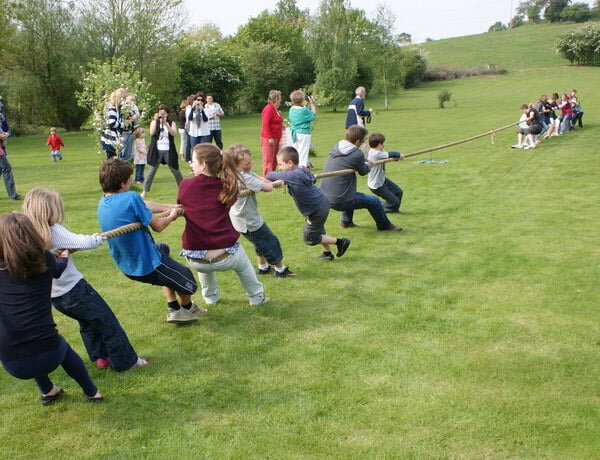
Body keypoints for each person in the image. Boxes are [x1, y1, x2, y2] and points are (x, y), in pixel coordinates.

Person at [22, 188, 147, 371]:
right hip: (75, 290)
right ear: (49, 210)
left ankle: (101, 357)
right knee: (107, 321)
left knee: (87, 323)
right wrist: (95, 239)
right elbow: (84, 242)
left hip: (55, 297)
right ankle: (126, 362)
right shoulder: (53, 231)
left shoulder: (26, 234)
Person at [0, 212, 103, 404]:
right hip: (50, 353)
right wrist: (63, 257)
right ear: (32, 234)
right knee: (63, 349)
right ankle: (92, 392)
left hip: (12, 362)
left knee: (25, 337)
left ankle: (48, 390)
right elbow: (56, 271)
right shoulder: (44, 258)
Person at [98, 158, 203, 323]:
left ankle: (174, 308)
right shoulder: (131, 197)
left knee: (163, 249)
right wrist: (173, 216)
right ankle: (186, 309)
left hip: (127, 264)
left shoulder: (104, 201)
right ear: (124, 183)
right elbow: (159, 226)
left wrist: (170, 207)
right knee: (187, 280)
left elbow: (144, 204)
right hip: (147, 264)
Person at [178, 143, 269, 306]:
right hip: (226, 256)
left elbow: (183, 201)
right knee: (244, 265)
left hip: (195, 258)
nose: (191, 164)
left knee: (202, 255)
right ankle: (257, 297)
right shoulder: (228, 185)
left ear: (203, 164)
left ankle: (210, 297)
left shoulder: (185, 185)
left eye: (192, 160)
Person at [267, 146, 351, 261]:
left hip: (316, 210)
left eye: (281, 164)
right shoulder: (302, 169)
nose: (279, 168)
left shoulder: (292, 175)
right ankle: (327, 254)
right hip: (322, 202)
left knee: (310, 237)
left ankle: (340, 242)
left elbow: (270, 174)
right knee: (318, 229)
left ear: (290, 163)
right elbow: (313, 179)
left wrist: (285, 179)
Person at [224, 144, 294, 277]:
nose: (250, 165)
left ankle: (263, 267)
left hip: (241, 219)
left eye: (250, 161)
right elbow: (267, 188)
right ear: (235, 165)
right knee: (270, 242)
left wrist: (272, 182)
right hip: (248, 221)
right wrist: (272, 185)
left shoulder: (239, 173)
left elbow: (259, 179)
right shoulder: (243, 177)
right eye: (246, 164)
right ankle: (280, 270)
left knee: (259, 242)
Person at [320, 126, 403, 232]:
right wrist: (369, 164)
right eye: (363, 141)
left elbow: (355, 160)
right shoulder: (356, 153)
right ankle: (384, 226)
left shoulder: (337, 147)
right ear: (358, 141)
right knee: (374, 201)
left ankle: (346, 222)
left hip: (325, 196)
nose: (364, 143)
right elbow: (364, 171)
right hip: (339, 199)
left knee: (350, 193)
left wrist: (366, 160)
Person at [141, 105, 183, 198]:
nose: (162, 115)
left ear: (167, 114)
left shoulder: (171, 123)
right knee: (152, 170)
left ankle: (183, 189)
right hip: (157, 150)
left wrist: (166, 123)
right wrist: (157, 121)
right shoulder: (154, 122)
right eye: (161, 113)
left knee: (175, 170)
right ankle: (144, 191)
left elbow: (174, 133)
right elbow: (152, 132)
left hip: (168, 149)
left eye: (164, 113)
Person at [366, 133, 404, 213]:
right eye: (382, 143)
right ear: (379, 144)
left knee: (399, 192)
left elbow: (389, 157)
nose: (383, 145)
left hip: (382, 180)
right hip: (376, 185)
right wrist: (399, 155)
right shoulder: (375, 153)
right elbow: (391, 154)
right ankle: (378, 207)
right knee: (394, 201)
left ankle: (393, 210)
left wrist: (397, 158)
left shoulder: (379, 151)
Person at [0, 97, 21, 201]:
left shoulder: (2, 115)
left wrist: (6, 134)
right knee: (7, 169)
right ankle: (12, 195)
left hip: (1, 146)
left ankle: (12, 195)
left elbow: (5, 128)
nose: (1, 104)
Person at [288, 90, 316, 167]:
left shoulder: (292, 109)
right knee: (303, 154)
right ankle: (302, 170)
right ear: (302, 99)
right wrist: (312, 103)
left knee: (296, 153)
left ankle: (295, 169)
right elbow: (313, 114)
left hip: (295, 133)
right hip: (304, 133)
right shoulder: (303, 110)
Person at [260, 90, 284, 177]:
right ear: (276, 99)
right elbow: (265, 124)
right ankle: (267, 177)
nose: (281, 99)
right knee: (268, 158)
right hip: (269, 137)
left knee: (274, 158)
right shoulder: (268, 109)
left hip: (276, 137)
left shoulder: (275, 109)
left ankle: (272, 176)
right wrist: (269, 137)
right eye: (280, 98)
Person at [100, 88, 127, 159]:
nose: (124, 101)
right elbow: (111, 123)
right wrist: (122, 125)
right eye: (122, 98)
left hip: (114, 139)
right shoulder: (112, 109)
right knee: (112, 162)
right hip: (109, 140)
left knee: (114, 161)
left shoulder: (117, 109)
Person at [120, 94, 140, 162]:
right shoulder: (124, 108)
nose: (133, 102)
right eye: (131, 100)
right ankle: (123, 163)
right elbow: (125, 119)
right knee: (125, 149)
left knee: (130, 149)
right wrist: (133, 118)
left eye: (133, 100)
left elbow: (137, 116)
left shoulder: (134, 107)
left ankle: (128, 161)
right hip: (125, 131)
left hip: (132, 130)